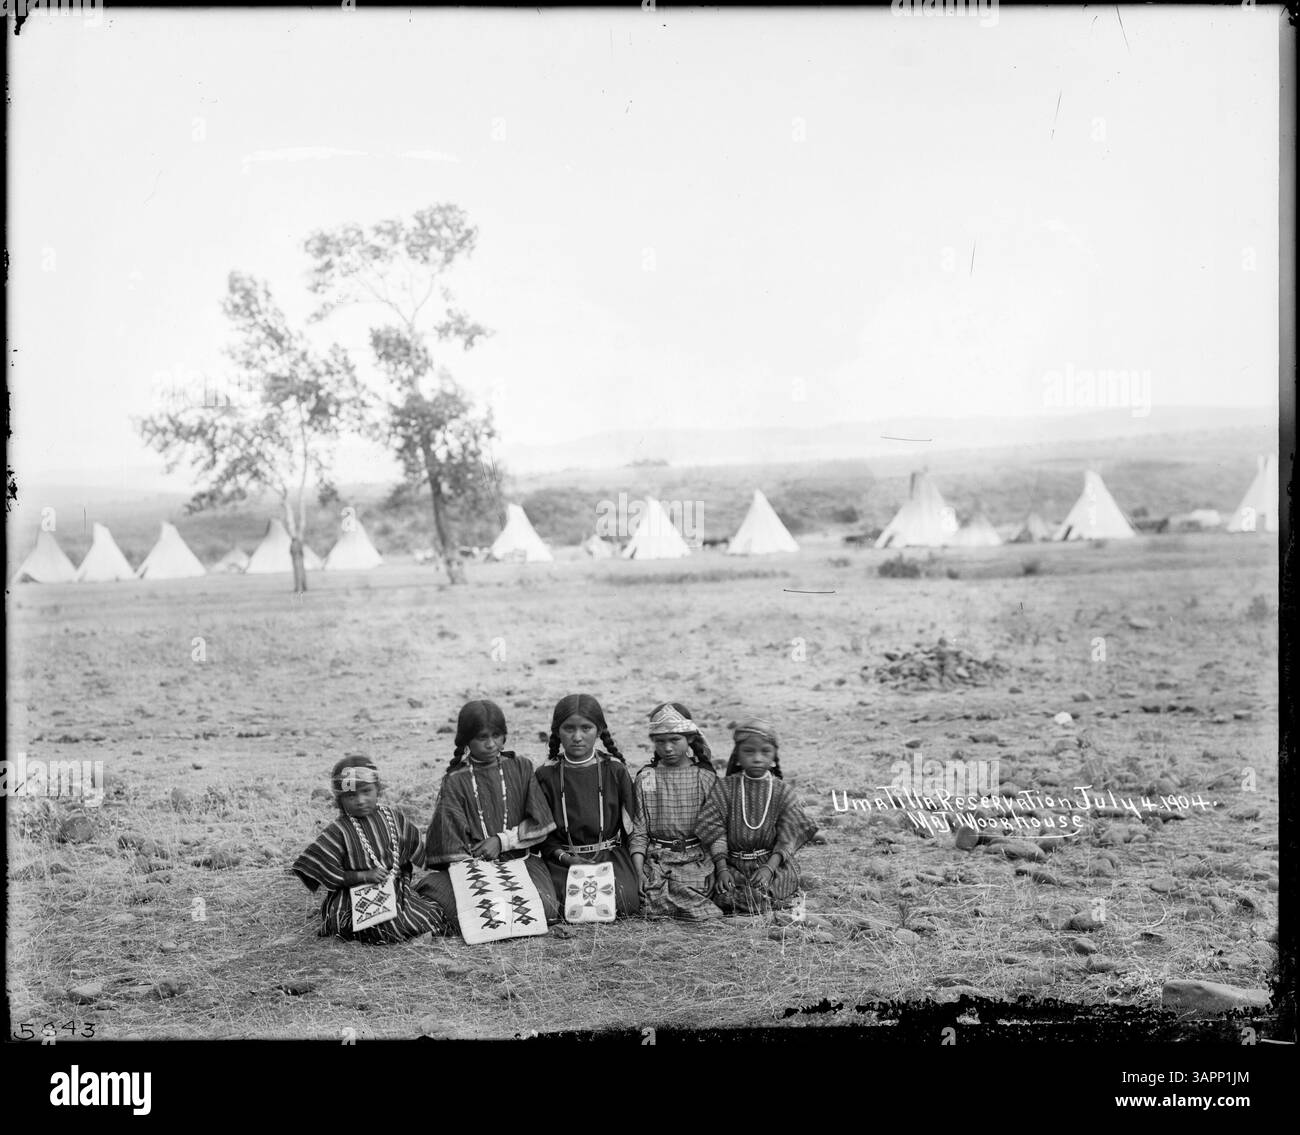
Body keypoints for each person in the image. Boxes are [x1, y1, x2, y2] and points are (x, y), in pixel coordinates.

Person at [415, 699, 560, 930]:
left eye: (497, 735)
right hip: (472, 867)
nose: (492, 744)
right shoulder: (455, 780)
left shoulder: (521, 767)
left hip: (519, 862)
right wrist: (477, 864)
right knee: (450, 901)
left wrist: (501, 842)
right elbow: (448, 839)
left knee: (546, 907)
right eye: (483, 738)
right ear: (466, 741)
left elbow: (540, 822)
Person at [292, 756, 447, 942]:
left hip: (395, 890)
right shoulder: (338, 831)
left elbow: (415, 851)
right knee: (385, 926)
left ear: (378, 789)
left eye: (366, 791)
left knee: (432, 914)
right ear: (339, 800)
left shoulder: (392, 818)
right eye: (351, 795)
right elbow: (323, 868)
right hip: (352, 897)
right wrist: (364, 876)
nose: (360, 800)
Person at [695, 718, 817, 915]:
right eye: (749, 751)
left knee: (775, 887)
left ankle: (760, 900)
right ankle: (751, 901)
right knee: (721, 889)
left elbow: (788, 836)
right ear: (737, 756)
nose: (757, 758)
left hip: (771, 864)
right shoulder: (725, 788)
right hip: (732, 863)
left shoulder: (782, 791)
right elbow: (714, 830)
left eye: (765, 751)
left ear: (774, 756)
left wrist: (769, 869)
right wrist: (722, 869)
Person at [534, 694, 641, 917]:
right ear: (557, 731)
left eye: (586, 728)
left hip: (609, 857)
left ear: (599, 730)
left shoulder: (615, 771)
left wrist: (636, 869)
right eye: (568, 729)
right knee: (550, 904)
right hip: (563, 860)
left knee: (626, 900)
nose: (577, 737)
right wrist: (565, 857)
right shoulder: (546, 775)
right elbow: (543, 835)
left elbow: (631, 828)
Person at [629, 702, 722, 921]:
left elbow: (715, 830)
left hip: (696, 860)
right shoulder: (646, 778)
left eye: (675, 740)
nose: (668, 748)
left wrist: (718, 868)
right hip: (658, 861)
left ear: (690, 738)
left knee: (708, 888)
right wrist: (638, 872)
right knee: (645, 895)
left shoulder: (704, 777)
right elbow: (639, 832)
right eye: (661, 741)